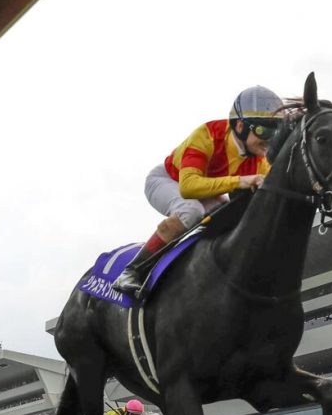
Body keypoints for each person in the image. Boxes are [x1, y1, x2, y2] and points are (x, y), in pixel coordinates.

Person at [112, 85, 283, 296]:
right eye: (264, 130)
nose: (270, 138)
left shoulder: (259, 158)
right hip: (167, 180)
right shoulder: (207, 135)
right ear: (240, 126)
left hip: (207, 191)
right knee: (190, 210)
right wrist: (241, 181)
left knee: (229, 218)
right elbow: (188, 187)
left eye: (276, 131)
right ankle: (132, 271)